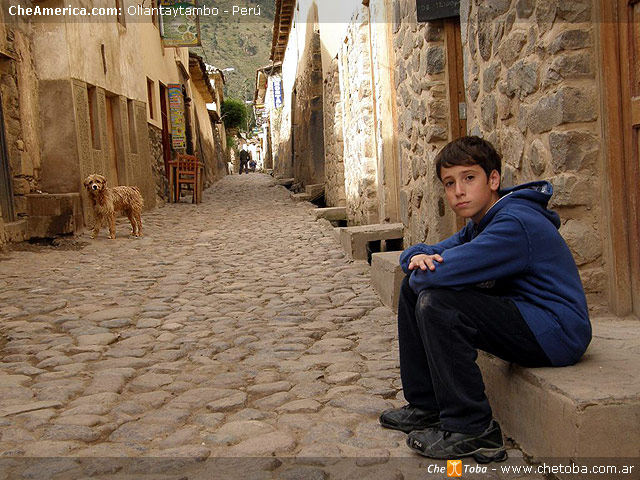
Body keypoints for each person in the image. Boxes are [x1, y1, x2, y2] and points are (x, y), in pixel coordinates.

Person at [379, 136, 591, 462]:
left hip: (556, 333)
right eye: (449, 184)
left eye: (468, 178)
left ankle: (473, 428)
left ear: (493, 180)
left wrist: (421, 267)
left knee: (438, 302)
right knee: (413, 289)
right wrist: (415, 259)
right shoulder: (479, 224)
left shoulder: (513, 224)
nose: (458, 191)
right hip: (525, 317)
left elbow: (432, 273)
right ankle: (427, 406)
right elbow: (422, 256)